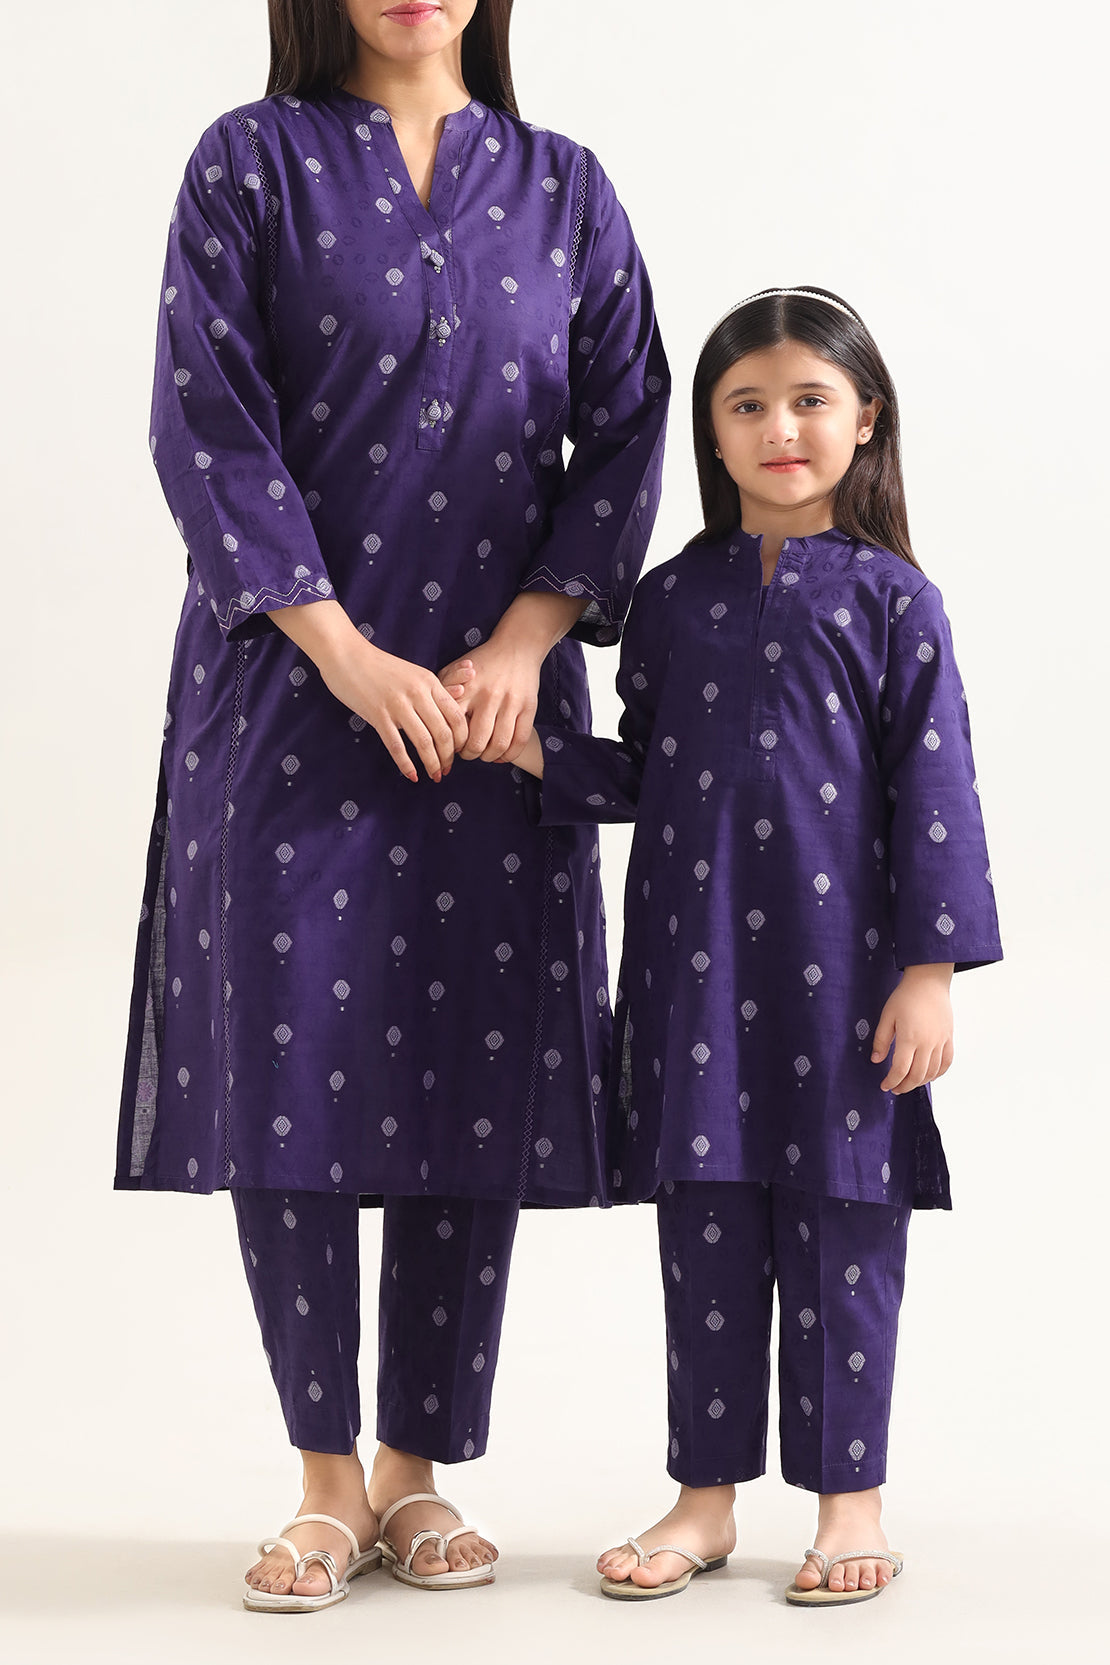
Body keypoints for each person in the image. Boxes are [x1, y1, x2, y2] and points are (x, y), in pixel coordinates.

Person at [114, 0, 668, 1612]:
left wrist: (526, 643)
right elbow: (206, 420)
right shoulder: (250, 164)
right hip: (287, 697)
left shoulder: (566, 188)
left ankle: (416, 1470)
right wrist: (343, 653)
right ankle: (323, 1480)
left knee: (466, 1056)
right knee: (284, 1058)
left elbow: (625, 432)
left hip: (494, 715)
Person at [501, 287, 1001, 1605]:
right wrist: (535, 752)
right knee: (706, 1231)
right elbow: (648, 769)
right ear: (712, 436)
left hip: (849, 985)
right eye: (748, 405)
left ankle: (850, 1506)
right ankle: (704, 1500)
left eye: (808, 400)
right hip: (695, 974)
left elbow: (936, 793)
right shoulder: (669, 600)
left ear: (864, 418)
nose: (781, 427)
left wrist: (929, 972)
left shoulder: (896, 601)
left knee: (846, 1229)